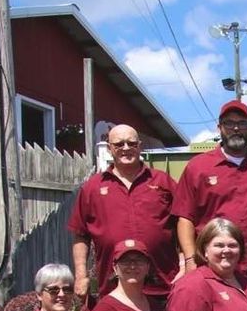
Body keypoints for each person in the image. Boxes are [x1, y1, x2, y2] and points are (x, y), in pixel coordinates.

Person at [172, 100, 247, 291]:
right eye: (229, 123)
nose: (236, 128)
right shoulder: (198, 167)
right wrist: (189, 259)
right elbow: (185, 217)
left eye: (242, 123)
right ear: (219, 127)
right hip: (212, 269)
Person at [69, 124, 178, 300]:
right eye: (119, 144)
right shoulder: (92, 188)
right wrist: (81, 275)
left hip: (163, 287)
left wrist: (185, 261)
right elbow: (80, 234)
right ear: (110, 148)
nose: (126, 148)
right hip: (114, 289)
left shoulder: (163, 182)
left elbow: (184, 223)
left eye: (131, 143)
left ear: (140, 146)